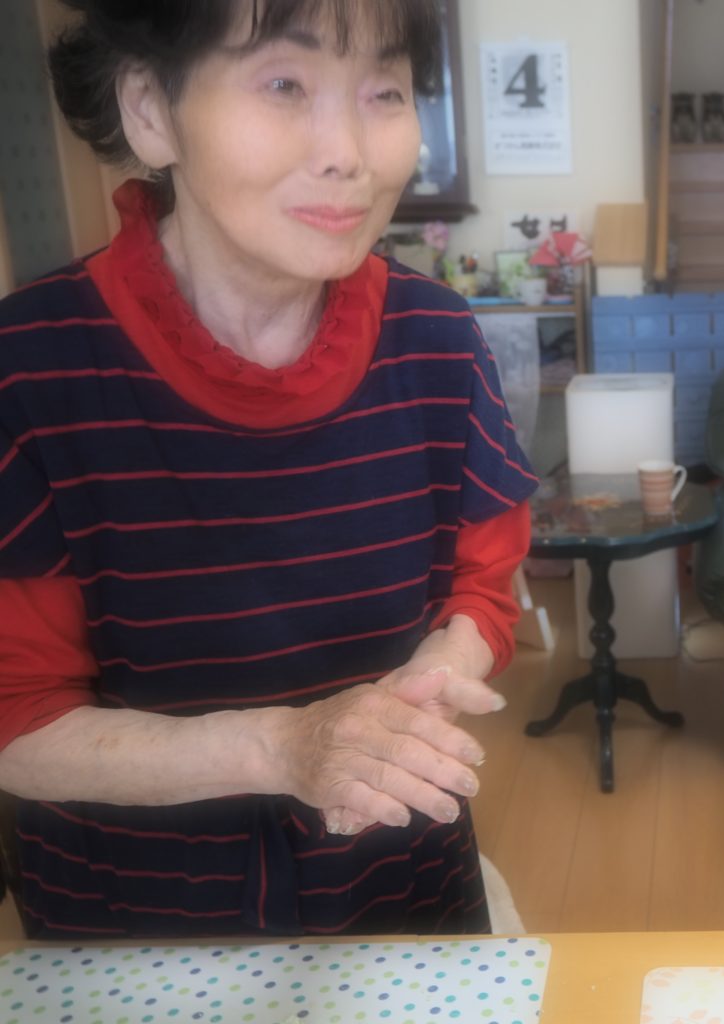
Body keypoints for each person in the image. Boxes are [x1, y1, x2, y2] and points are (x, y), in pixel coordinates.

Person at [0, 0, 537, 939]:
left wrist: (427, 684)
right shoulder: (29, 370)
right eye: (284, 83)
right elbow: (18, 715)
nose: (348, 154)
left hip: (401, 886)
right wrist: (284, 747)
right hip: (136, 926)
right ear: (149, 110)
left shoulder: (437, 339)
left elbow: (482, 591)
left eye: (384, 92)